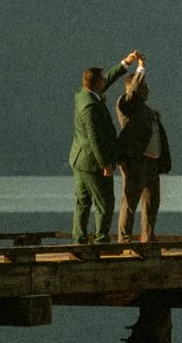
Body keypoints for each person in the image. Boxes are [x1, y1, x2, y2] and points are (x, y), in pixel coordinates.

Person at [70, 51, 140, 244]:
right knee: (104, 203)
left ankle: (79, 238)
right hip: (93, 162)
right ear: (96, 84)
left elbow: (107, 79)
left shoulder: (82, 95)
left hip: (78, 159)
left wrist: (126, 63)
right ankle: (101, 240)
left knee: (82, 201)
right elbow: (94, 138)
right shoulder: (90, 107)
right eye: (102, 80)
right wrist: (105, 164)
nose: (105, 82)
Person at [114, 68, 172, 242]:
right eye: (144, 86)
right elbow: (133, 92)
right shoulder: (127, 106)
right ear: (134, 87)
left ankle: (148, 238)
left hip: (152, 164)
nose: (148, 90)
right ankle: (124, 241)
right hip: (135, 163)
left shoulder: (148, 111)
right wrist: (140, 67)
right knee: (130, 203)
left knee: (151, 204)